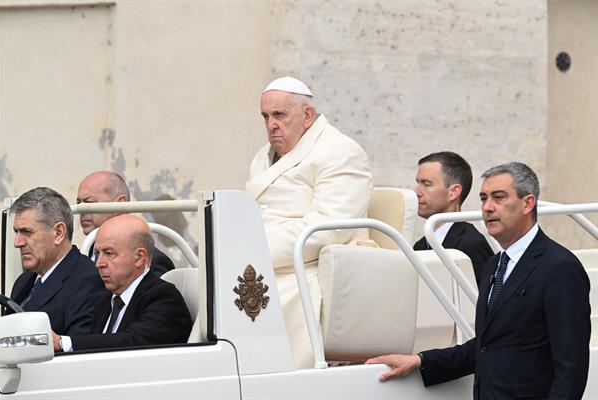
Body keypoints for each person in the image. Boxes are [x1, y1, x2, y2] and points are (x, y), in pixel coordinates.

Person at [366, 162, 591, 399]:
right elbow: (485, 347)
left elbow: (571, 366)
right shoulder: (495, 265)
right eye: (484, 198)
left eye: (499, 197)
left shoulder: (560, 267)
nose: (488, 207)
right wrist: (420, 360)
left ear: (528, 203)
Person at [245, 76, 373, 368]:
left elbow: (331, 227)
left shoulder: (340, 150)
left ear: (307, 116)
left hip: (308, 263)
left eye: (279, 115)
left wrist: (256, 249)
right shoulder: (262, 157)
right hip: (264, 259)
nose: (270, 125)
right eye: (265, 116)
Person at [53, 214, 192, 352]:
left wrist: (63, 342)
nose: (98, 263)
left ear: (139, 257)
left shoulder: (163, 298)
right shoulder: (105, 301)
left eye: (109, 253)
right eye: (97, 253)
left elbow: (132, 342)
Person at [9, 187, 106, 335]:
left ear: (59, 233)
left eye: (27, 232)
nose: (18, 242)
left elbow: (79, 351)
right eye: (17, 232)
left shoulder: (88, 281)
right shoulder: (24, 280)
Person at [413, 151, 494, 286]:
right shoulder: (420, 246)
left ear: (453, 192)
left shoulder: (472, 244)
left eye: (426, 184)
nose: (416, 191)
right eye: (417, 183)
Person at [77, 171, 175, 277]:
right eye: (79, 203)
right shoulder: (84, 252)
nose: (81, 210)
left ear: (120, 204)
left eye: (89, 202)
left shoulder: (152, 261)